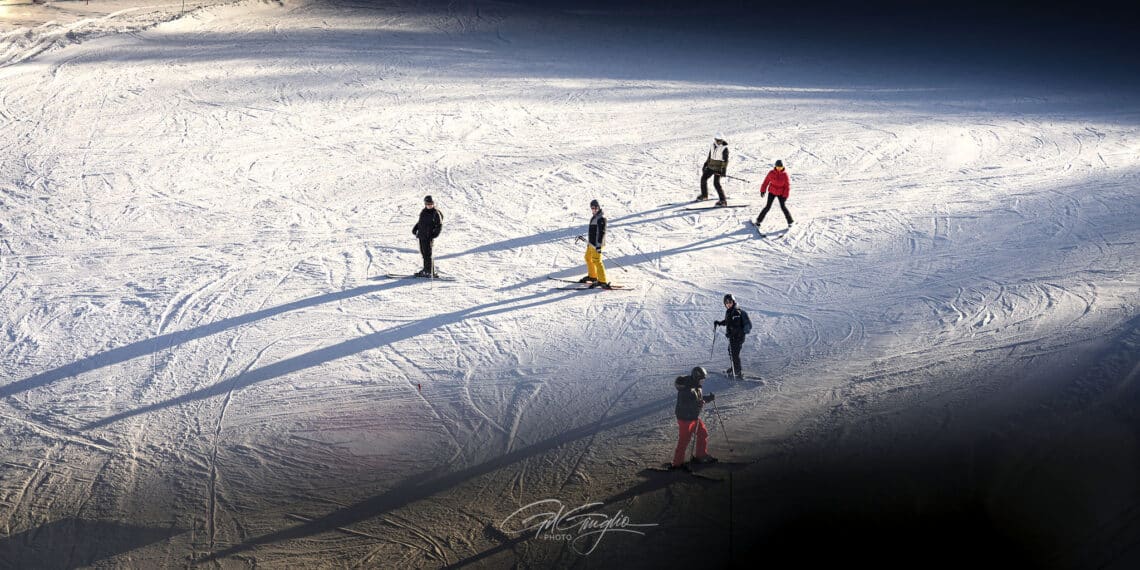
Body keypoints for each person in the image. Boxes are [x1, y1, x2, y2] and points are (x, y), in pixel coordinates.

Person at [672, 366, 717, 468]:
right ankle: (677, 464)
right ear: (696, 377)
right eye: (701, 379)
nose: (703, 381)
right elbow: (685, 404)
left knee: (703, 433)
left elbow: (698, 399)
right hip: (685, 418)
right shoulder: (686, 389)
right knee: (684, 440)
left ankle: (701, 455)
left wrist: (708, 398)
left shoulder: (696, 385)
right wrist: (698, 403)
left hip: (693, 416)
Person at [577, 199, 613, 289]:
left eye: (595, 207)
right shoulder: (595, 217)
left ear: (599, 207)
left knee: (597, 260)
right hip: (591, 243)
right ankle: (592, 276)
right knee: (588, 257)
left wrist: (598, 245)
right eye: (592, 208)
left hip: (597, 244)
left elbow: (602, 233)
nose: (594, 209)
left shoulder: (601, 218)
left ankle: (602, 281)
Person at [714, 294, 752, 379]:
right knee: (731, 352)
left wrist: (731, 334)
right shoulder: (730, 311)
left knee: (734, 354)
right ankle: (734, 367)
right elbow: (728, 321)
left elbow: (737, 327)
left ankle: (737, 372)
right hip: (733, 337)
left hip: (738, 337)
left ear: (733, 302)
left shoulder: (736, 312)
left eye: (730, 302)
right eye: (726, 303)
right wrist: (719, 323)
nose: (728, 304)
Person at [755, 159, 794, 228]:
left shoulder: (785, 175)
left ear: (783, 167)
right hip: (772, 192)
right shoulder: (771, 173)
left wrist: (785, 196)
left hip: (781, 193)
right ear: (775, 167)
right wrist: (763, 190)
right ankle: (758, 221)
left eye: (780, 168)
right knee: (767, 207)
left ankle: (790, 221)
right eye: (778, 167)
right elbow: (766, 182)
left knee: (783, 207)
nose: (779, 169)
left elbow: (787, 186)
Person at [411, 195, 443, 277]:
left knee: (428, 255)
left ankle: (430, 271)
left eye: (431, 204)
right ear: (425, 204)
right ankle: (426, 270)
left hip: (428, 237)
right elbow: (420, 222)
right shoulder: (423, 212)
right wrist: (415, 228)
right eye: (428, 204)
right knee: (424, 254)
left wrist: (434, 234)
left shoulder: (435, 213)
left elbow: (439, 225)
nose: (430, 205)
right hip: (421, 235)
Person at [698, 134, 730, 206]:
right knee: (703, 179)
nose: (718, 142)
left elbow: (725, 161)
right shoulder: (712, 145)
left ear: (722, 140)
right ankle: (704, 195)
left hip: (718, 168)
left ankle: (723, 201)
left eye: (720, 141)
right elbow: (710, 156)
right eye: (717, 140)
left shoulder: (724, 148)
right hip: (710, 167)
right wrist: (705, 164)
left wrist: (723, 171)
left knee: (716, 183)